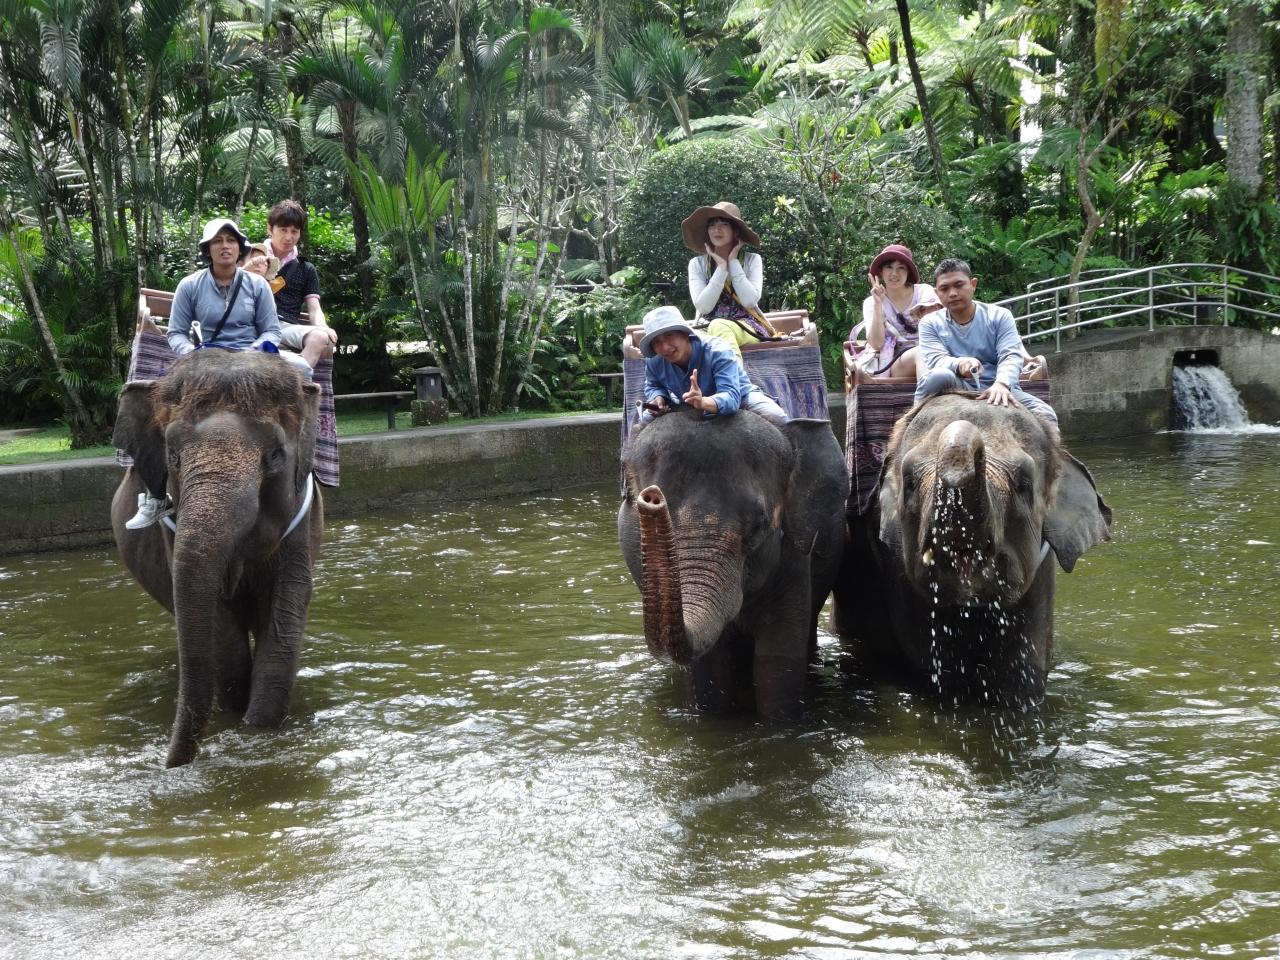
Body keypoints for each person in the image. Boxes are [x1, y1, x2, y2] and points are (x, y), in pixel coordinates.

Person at [125, 218, 309, 529]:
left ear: (240, 248)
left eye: (231, 240)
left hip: (251, 361)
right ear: (207, 249)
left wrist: (257, 348)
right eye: (218, 241)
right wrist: (191, 353)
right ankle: (156, 494)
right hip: (203, 362)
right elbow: (177, 333)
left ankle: (302, 474)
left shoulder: (257, 286)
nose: (225, 246)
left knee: (303, 372)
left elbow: (271, 330)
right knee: (144, 405)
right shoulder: (190, 285)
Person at [914, 258, 1058, 424]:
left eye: (959, 285)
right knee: (937, 376)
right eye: (944, 288)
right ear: (936, 293)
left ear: (973, 284)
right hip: (956, 384)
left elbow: (1010, 355)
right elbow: (936, 360)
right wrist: (960, 364)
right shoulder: (929, 323)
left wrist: (1002, 384)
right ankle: (913, 422)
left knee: (1046, 414)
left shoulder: (1000, 315)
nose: (952, 293)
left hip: (998, 385)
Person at [637, 305, 787, 427]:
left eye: (669, 336)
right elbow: (653, 385)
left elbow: (731, 396)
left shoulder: (718, 350)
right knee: (645, 420)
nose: (664, 347)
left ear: (685, 334)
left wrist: (703, 402)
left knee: (777, 416)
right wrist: (658, 398)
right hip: (687, 403)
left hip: (740, 396)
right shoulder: (654, 360)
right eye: (656, 342)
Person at [682, 201, 783, 360]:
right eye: (712, 225)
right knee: (688, 341)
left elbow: (749, 300)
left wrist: (733, 262)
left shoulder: (752, 260)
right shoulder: (697, 264)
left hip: (746, 325)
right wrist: (721, 268)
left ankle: (734, 375)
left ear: (736, 231)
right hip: (705, 326)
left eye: (724, 224)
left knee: (719, 326)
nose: (717, 229)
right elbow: (703, 307)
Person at [264, 199, 338, 368]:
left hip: (284, 327)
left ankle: (297, 380)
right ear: (270, 229)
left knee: (320, 337)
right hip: (250, 323)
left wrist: (322, 326)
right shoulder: (252, 257)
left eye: (294, 231)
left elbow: (314, 308)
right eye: (283, 230)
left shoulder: (306, 269)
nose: (288, 237)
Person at [851, 244, 942, 382]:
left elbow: (937, 329)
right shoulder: (871, 302)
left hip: (932, 351)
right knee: (921, 353)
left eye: (901, 268)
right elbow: (876, 344)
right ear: (881, 271)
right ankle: (928, 393)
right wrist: (878, 304)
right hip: (895, 361)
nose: (894, 273)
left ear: (908, 272)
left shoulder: (924, 292)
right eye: (889, 267)